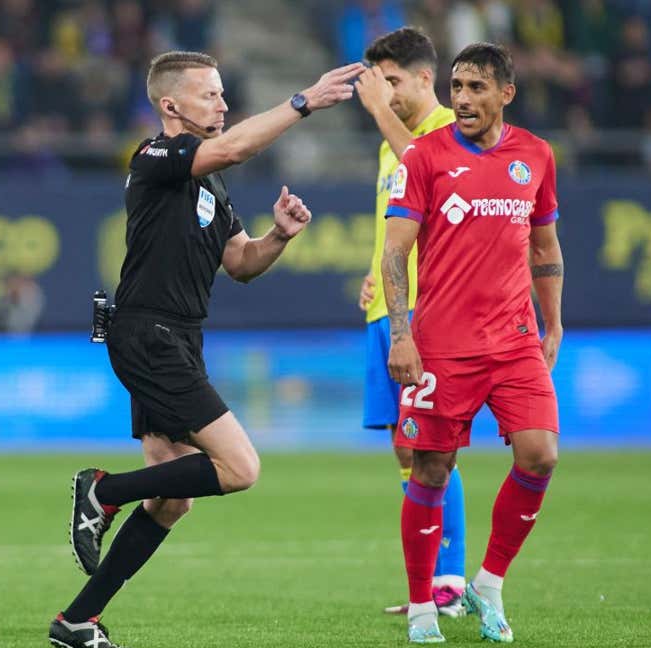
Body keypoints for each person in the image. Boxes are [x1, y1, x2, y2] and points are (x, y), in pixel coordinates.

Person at [50, 51, 365, 648]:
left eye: (223, 95)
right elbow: (236, 148)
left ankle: (76, 621)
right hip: (149, 333)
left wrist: (278, 236)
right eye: (210, 95)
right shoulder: (156, 157)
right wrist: (302, 101)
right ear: (171, 106)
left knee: (173, 500)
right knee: (240, 468)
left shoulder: (208, 183)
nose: (222, 104)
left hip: (180, 339)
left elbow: (242, 263)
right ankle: (102, 490)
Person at [382, 42, 563, 644]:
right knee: (431, 470)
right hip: (443, 345)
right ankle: (420, 608)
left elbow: (544, 249)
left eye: (476, 88)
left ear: (506, 93)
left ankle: (489, 583)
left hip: (514, 340)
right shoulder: (425, 157)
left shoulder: (535, 156)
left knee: (540, 455)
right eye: (456, 87)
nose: (462, 99)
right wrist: (402, 336)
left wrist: (553, 324)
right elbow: (394, 253)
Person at [353, 26, 467, 618]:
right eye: (378, 82)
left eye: (393, 81)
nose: (384, 92)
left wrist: (380, 113)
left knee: (435, 449)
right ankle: (431, 584)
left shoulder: (449, 129)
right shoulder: (386, 145)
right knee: (405, 449)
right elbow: (400, 225)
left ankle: (450, 583)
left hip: (430, 313)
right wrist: (376, 275)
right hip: (388, 310)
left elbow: (438, 177)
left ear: (427, 77)